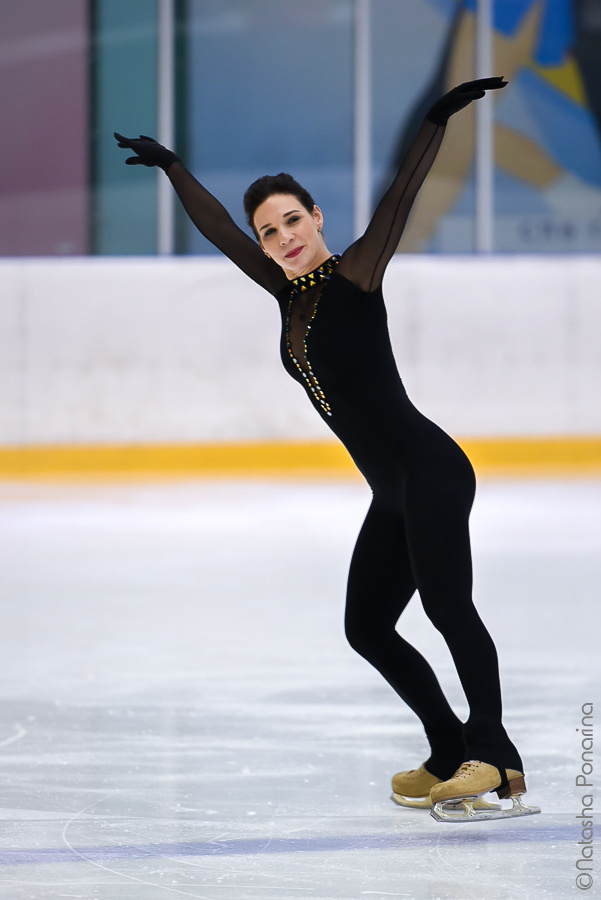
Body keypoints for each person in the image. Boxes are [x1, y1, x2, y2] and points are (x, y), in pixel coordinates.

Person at [115, 77, 539, 823]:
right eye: (270, 232)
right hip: (391, 489)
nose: (282, 239)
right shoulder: (287, 295)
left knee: (447, 608)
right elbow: (219, 230)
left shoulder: (353, 274)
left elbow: (401, 196)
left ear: (316, 217)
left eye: (291, 222)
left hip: (430, 469)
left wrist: (436, 116)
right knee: (366, 627)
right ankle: (446, 748)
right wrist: (173, 166)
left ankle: (494, 752)